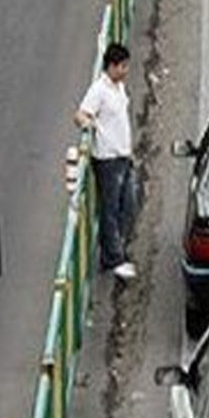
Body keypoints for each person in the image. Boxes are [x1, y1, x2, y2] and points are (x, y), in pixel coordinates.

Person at [75, 42, 137, 281]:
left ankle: (115, 249)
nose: (125, 71)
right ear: (111, 66)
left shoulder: (118, 87)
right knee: (110, 210)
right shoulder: (99, 90)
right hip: (108, 160)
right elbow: (80, 114)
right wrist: (88, 125)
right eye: (122, 66)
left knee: (128, 206)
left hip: (123, 156)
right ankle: (114, 258)